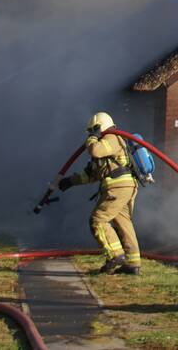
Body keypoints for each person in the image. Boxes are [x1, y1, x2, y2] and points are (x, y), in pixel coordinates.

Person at [58, 112, 141, 275]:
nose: (90, 135)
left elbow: (95, 150)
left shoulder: (112, 138)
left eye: (93, 130)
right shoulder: (107, 143)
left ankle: (115, 256)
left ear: (99, 127)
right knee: (123, 223)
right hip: (122, 187)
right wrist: (70, 181)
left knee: (98, 220)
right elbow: (93, 174)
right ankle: (132, 264)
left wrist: (92, 139)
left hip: (118, 188)